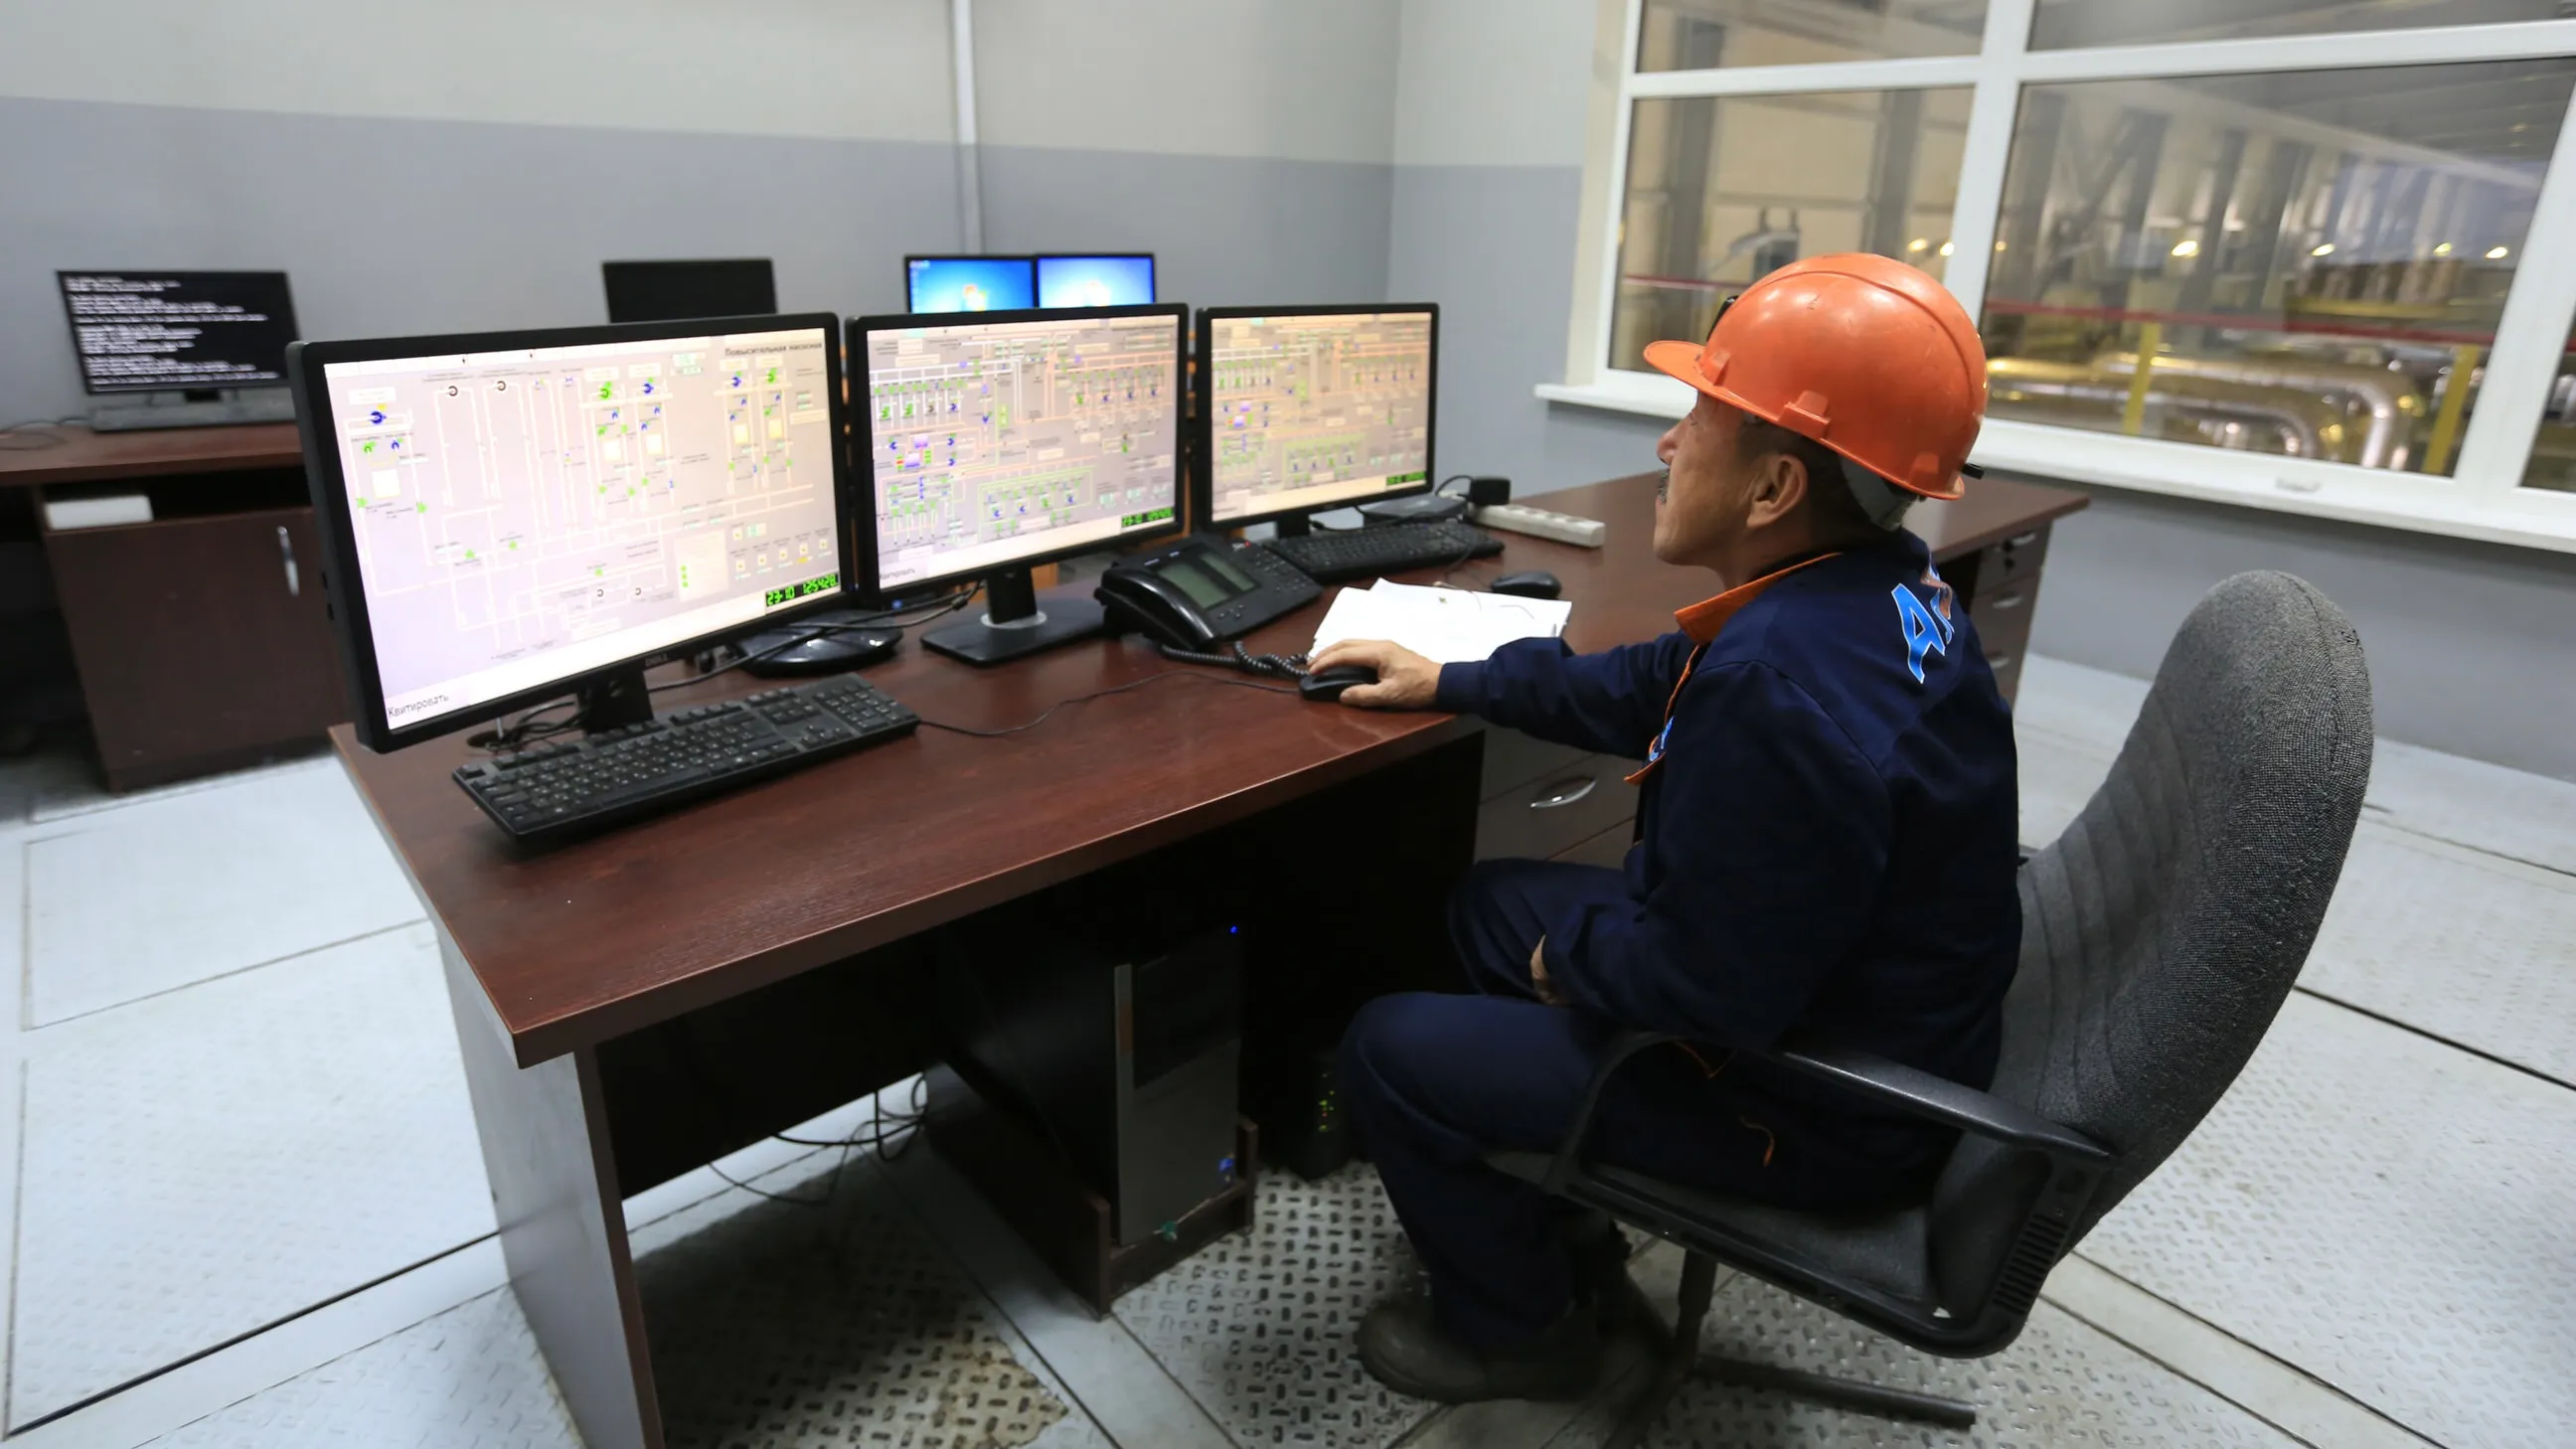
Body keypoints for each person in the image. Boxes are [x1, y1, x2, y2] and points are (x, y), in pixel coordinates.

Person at [1310, 253, 2021, 1404]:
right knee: (1486, 903)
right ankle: (1556, 1201)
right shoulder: (1879, 589)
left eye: (1699, 417)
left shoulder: (1781, 694)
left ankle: (1521, 1333)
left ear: (1773, 487)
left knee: (1387, 1049)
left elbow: (1711, 991)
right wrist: (1452, 676)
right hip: (1866, 1002)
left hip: (1819, 1100)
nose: (1667, 443)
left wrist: (1576, 962)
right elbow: (1650, 682)